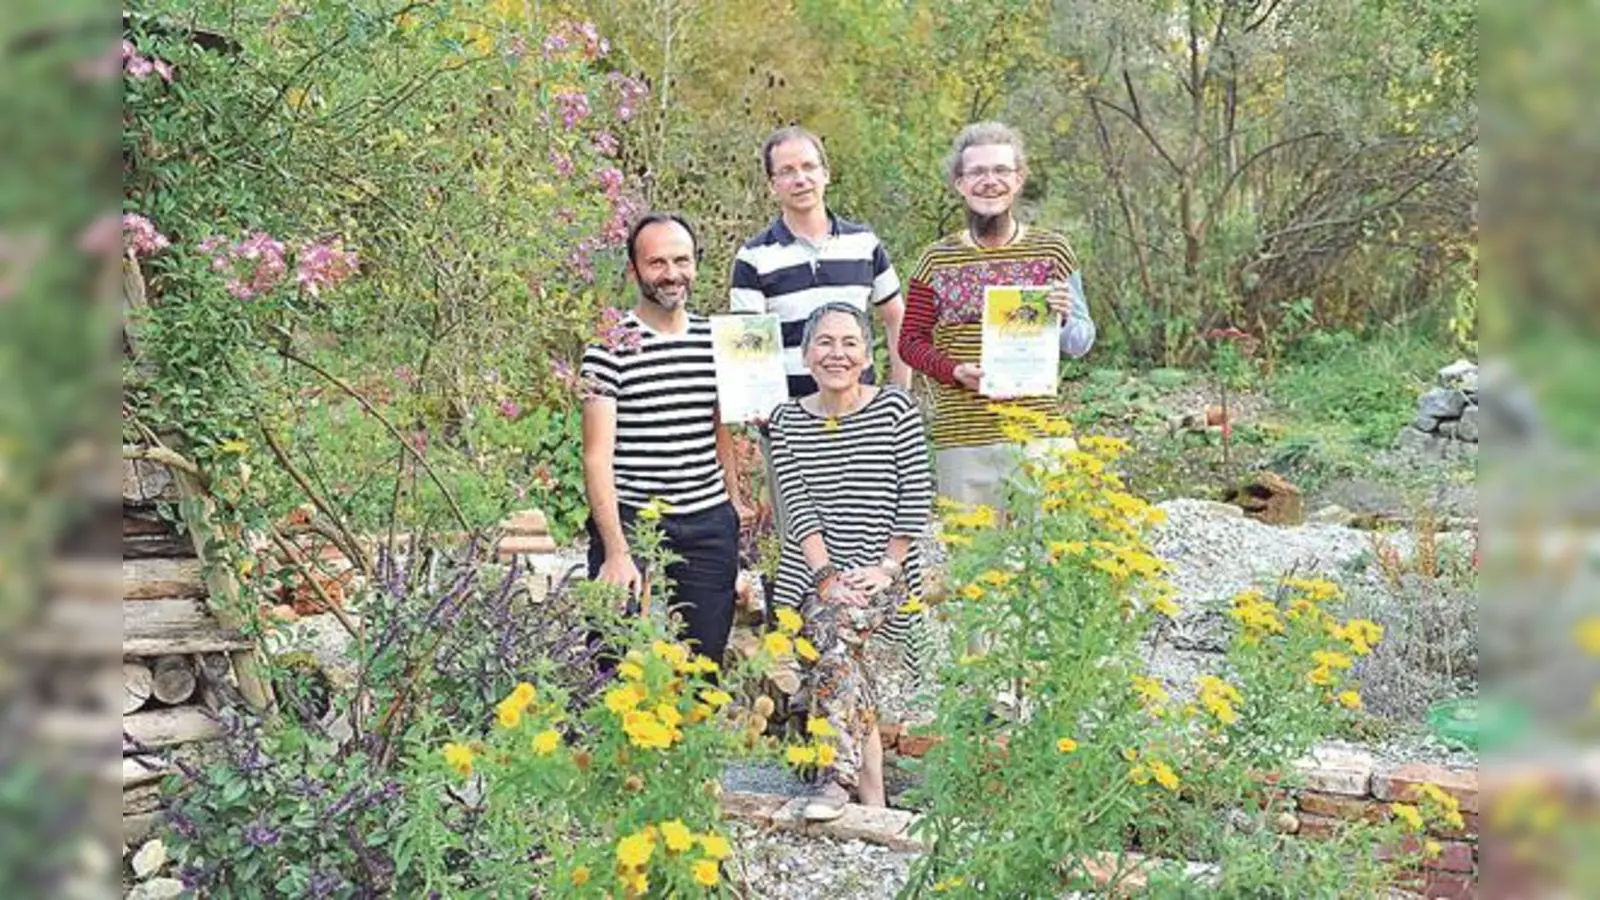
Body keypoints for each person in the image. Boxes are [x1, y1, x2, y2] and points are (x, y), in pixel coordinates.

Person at [765, 302, 934, 820]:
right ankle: (875, 801)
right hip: (813, 578)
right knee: (838, 640)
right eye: (825, 342)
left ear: (867, 355)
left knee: (837, 643)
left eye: (849, 343)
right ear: (805, 354)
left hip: (887, 572)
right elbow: (798, 508)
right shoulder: (787, 420)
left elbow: (916, 494)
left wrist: (887, 567)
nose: (836, 353)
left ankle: (835, 778)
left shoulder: (895, 410)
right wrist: (825, 578)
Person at [898, 121, 1097, 511]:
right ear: (959, 183)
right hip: (963, 437)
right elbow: (910, 342)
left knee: (1048, 563)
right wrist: (953, 370)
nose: (990, 181)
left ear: (1019, 178)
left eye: (1001, 170)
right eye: (977, 172)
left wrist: (1063, 319)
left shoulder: (1052, 251)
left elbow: (1081, 341)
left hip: (1037, 433)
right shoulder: (935, 259)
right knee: (971, 564)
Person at [580, 212, 750, 666]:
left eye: (682, 260)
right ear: (634, 270)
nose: (672, 273)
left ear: (696, 264)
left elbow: (722, 428)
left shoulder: (719, 341)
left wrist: (733, 502)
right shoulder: (608, 347)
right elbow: (596, 457)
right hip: (635, 520)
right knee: (611, 661)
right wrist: (616, 551)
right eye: (657, 263)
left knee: (704, 665)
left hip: (707, 519)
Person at [730, 125, 910, 397]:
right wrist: (757, 410)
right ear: (772, 186)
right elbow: (748, 347)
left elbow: (897, 317)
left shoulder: (864, 244)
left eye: (808, 167)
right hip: (790, 422)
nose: (800, 179)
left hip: (862, 418)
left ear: (825, 174)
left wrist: (900, 392)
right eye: (787, 171)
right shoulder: (753, 258)